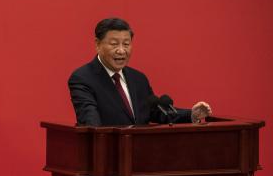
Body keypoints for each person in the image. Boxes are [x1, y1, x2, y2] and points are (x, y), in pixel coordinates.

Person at [68, 18, 212, 126]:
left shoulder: (138, 79)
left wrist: (191, 115)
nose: (121, 50)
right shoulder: (83, 78)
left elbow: (156, 112)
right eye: (113, 44)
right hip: (106, 158)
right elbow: (90, 121)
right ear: (97, 44)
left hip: (141, 158)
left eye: (126, 44)